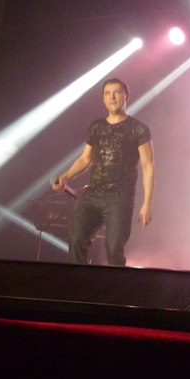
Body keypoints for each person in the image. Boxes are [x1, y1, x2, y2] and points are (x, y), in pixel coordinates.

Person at [51, 78, 154, 266]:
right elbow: (85, 159)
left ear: (126, 96)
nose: (112, 97)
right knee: (76, 238)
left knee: (114, 248)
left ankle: (113, 285)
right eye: (107, 93)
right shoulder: (96, 127)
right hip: (93, 194)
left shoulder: (138, 129)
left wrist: (147, 203)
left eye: (116, 92)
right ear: (103, 99)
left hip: (119, 197)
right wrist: (65, 176)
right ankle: (80, 282)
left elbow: (148, 166)